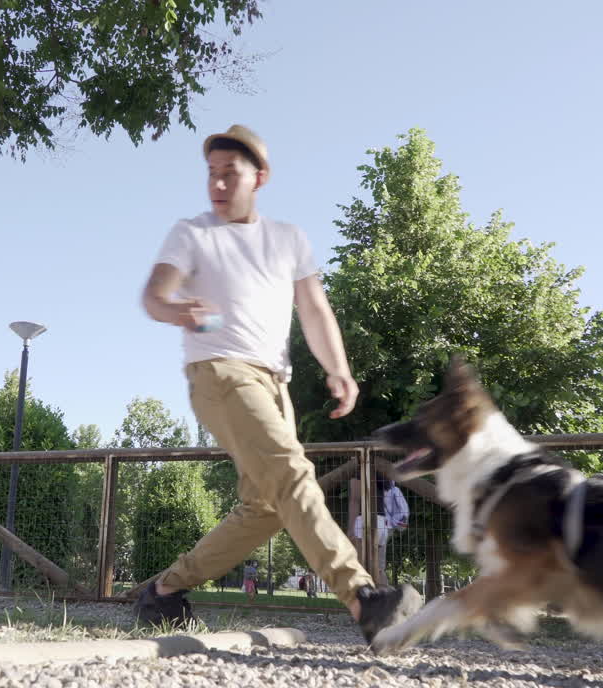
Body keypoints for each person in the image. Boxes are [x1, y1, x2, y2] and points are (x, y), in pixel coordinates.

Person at [132, 124, 422, 645]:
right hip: (219, 373)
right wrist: (181, 310)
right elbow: (154, 296)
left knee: (264, 509)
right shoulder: (192, 233)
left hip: (274, 385)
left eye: (231, 174)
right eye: (212, 174)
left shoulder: (288, 239)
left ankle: (164, 591)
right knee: (292, 474)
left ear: (259, 178)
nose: (218, 185)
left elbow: (313, 307)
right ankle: (363, 598)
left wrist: (338, 368)